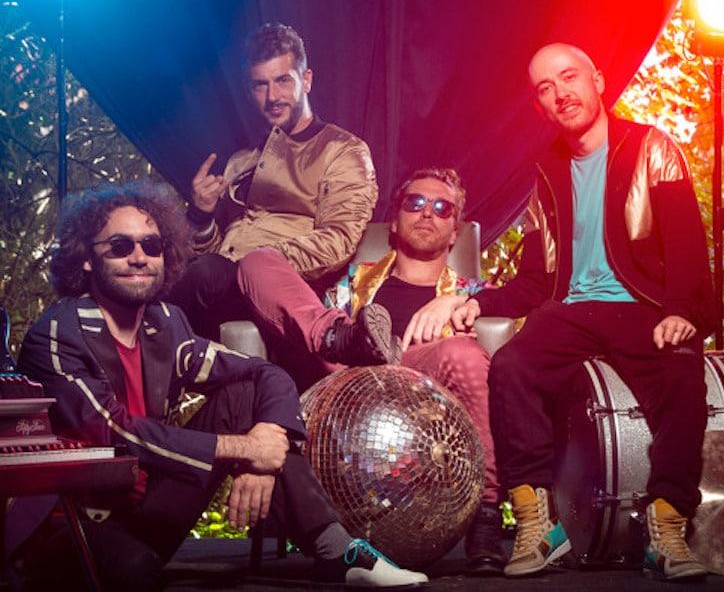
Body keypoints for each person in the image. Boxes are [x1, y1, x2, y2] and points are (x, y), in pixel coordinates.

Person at [5, 181, 427, 591]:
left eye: (151, 245)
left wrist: (264, 448)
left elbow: (264, 374)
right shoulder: (59, 333)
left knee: (244, 393)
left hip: (145, 510)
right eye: (120, 246)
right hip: (70, 520)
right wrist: (244, 448)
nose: (138, 257)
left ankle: (338, 552)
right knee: (135, 573)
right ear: (86, 258)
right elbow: (116, 436)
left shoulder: (164, 323)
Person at [447, 43, 714, 581]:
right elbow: (534, 279)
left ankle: (667, 526)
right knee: (513, 367)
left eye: (568, 77)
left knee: (683, 371)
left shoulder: (651, 147)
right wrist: (479, 300)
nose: (560, 93)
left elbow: (688, 244)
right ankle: (538, 524)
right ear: (540, 106)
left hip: (643, 308)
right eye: (545, 88)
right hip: (570, 311)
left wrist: (682, 309)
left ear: (597, 79)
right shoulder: (546, 171)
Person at [233, 168, 510, 575]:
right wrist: (336, 337)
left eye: (442, 207)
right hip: (346, 378)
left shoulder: (473, 296)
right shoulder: (347, 283)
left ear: (455, 232)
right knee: (257, 261)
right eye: (415, 202)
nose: (427, 213)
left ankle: (486, 514)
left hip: (420, 396)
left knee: (463, 353)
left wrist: (456, 301)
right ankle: (342, 336)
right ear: (394, 222)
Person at [168, 22, 380, 346]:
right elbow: (218, 252)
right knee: (166, 273)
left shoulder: (344, 150)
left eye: (283, 80)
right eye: (260, 85)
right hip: (221, 286)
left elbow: (339, 241)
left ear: (306, 80)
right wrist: (202, 215)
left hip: (283, 288)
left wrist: (256, 263)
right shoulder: (241, 160)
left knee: (201, 275)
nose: (272, 97)